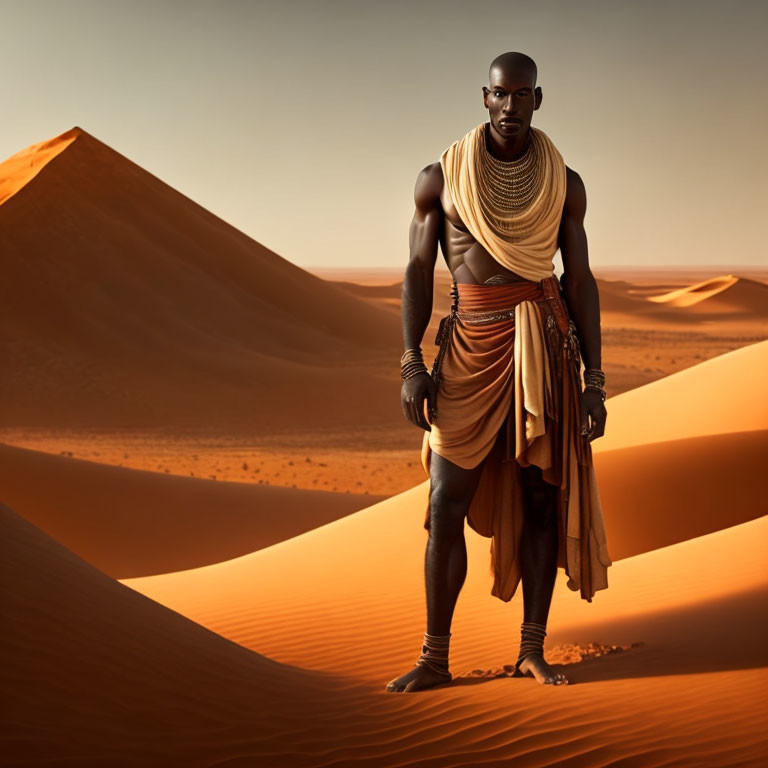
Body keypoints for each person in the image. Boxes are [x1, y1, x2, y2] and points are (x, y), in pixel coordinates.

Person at [387, 52, 612, 693]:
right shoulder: (441, 178)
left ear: (538, 100)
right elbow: (415, 271)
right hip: (466, 349)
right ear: (483, 98)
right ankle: (434, 657)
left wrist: (594, 381)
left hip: (543, 345)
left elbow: (581, 280)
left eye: (522, 96)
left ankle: (532, 649)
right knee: (443, 499)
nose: (511, 107)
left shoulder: (566, 183)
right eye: (499, 95)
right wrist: (411, 362)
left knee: (542, 496)